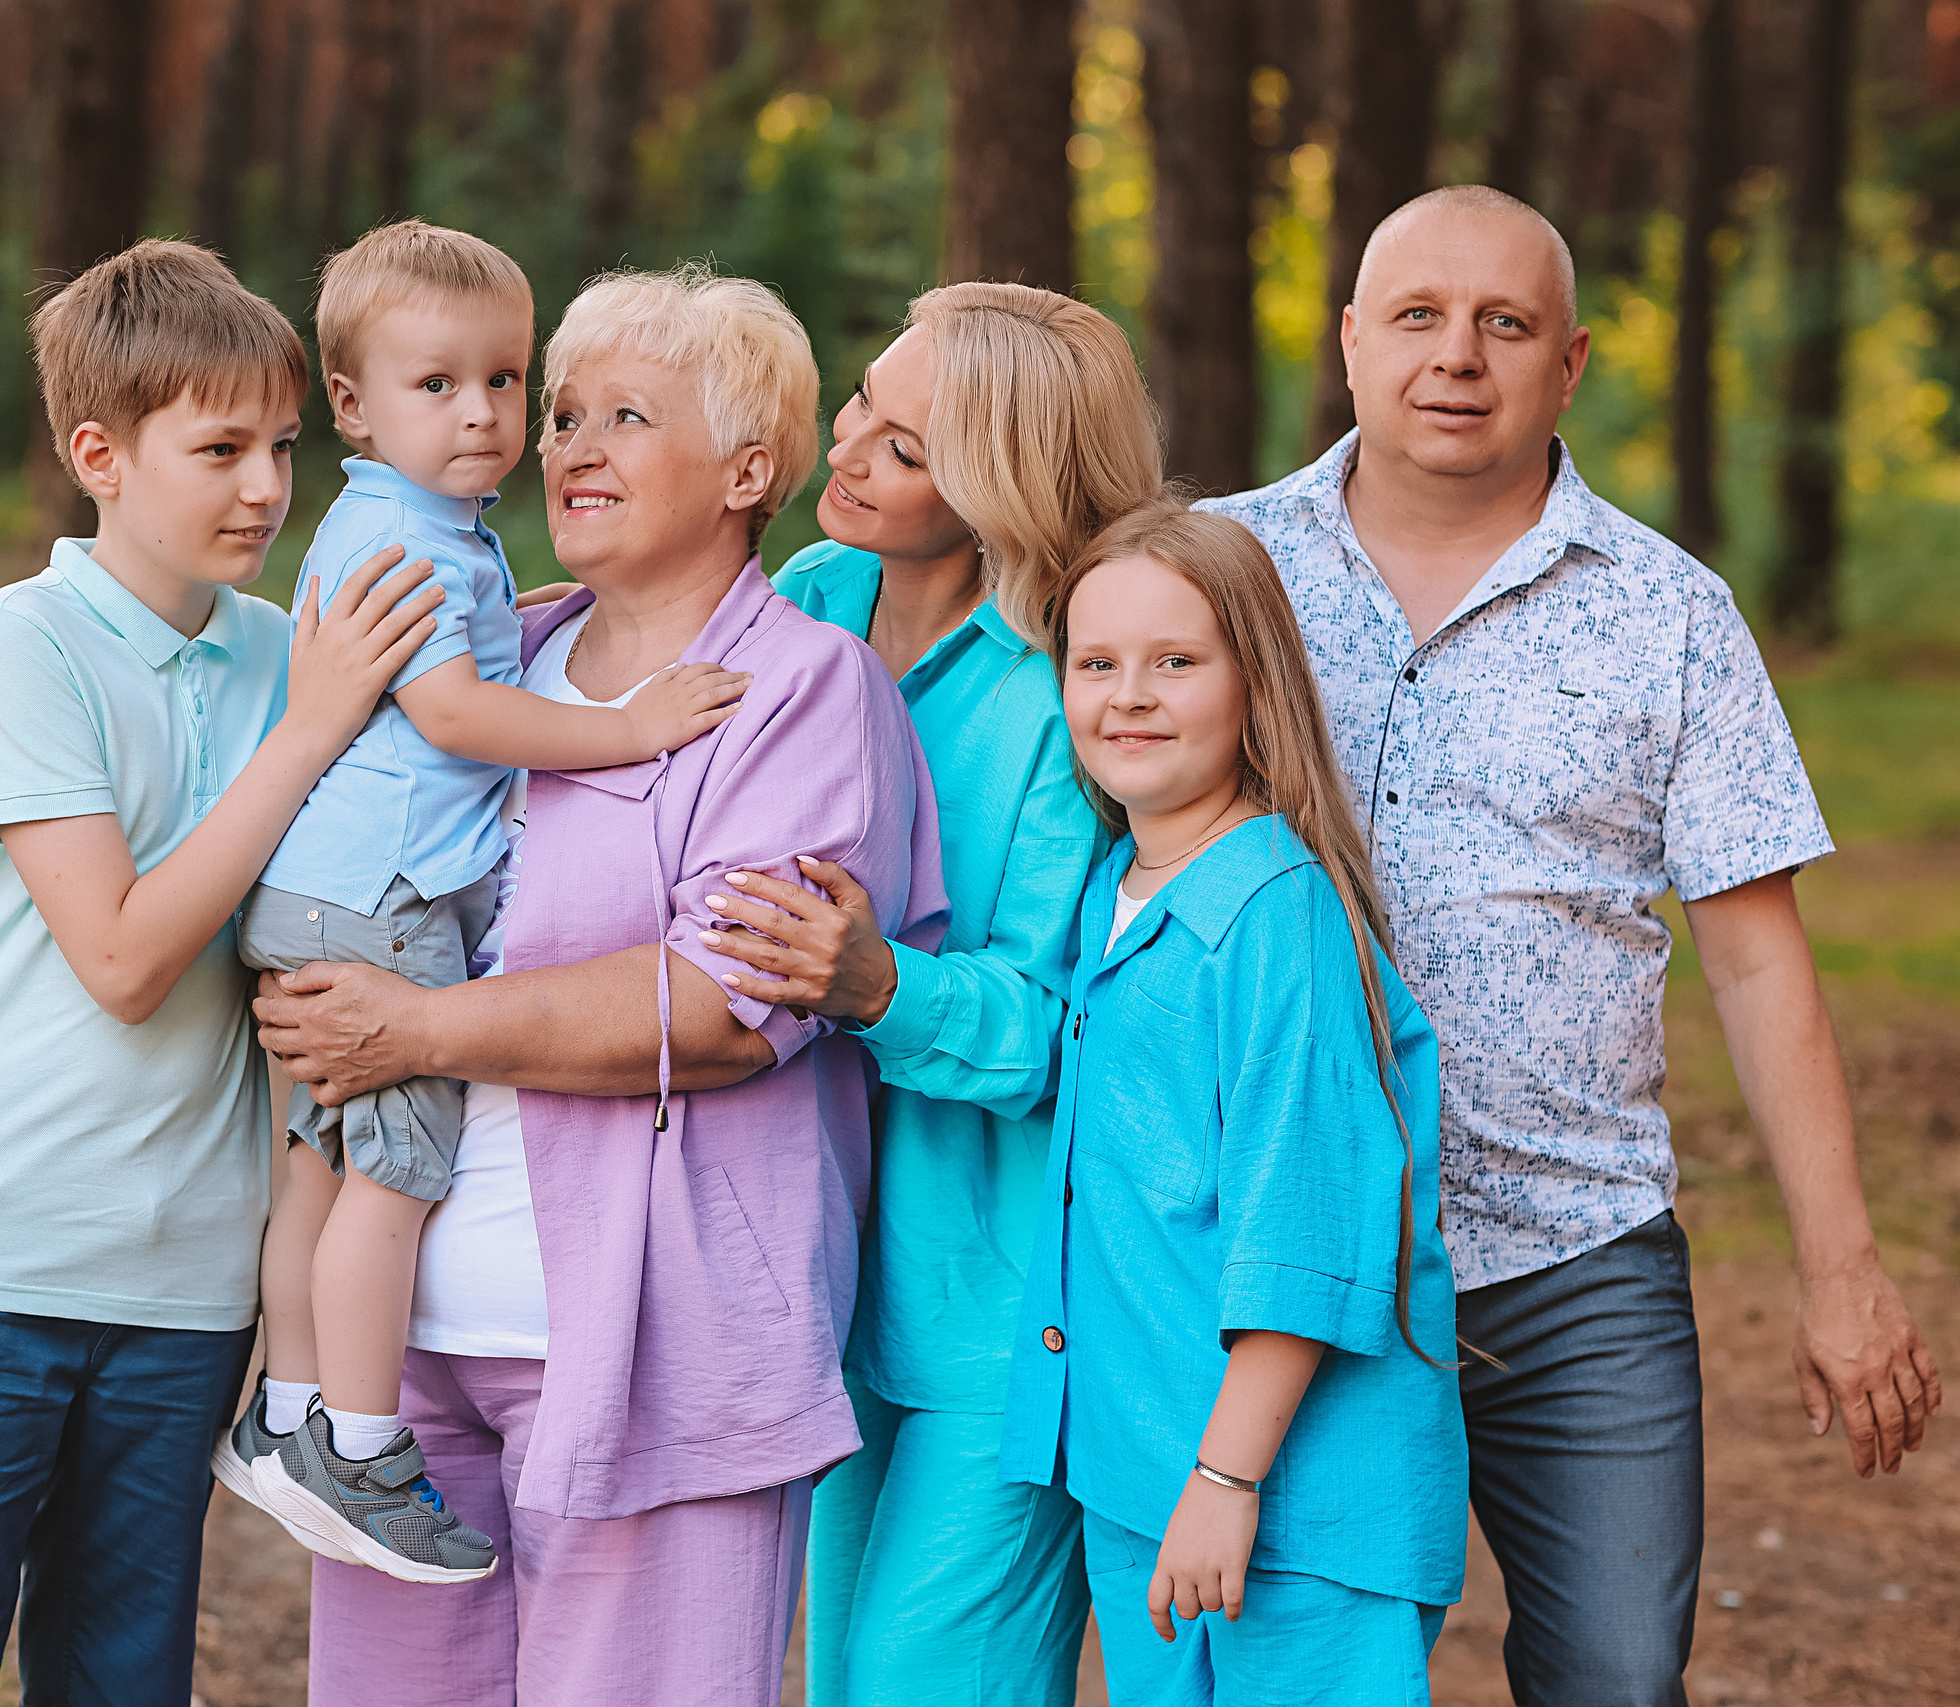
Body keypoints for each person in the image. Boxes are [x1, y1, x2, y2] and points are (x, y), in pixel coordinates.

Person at [1204, 184, 1942, 1704]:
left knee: (1615, 1675)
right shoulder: (1216, 575)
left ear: (1572, 363)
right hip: (1275, 1243)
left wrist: (1841, 1264)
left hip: (1571, 1256)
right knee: (1285, 1669)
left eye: (1505, 323)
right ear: (1350, 342)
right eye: (1416, 315)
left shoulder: (1670, 615)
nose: (1456, 356)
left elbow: (1754, 957)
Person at [252, 263, 945, 1706]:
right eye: (561, 410)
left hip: (657, 1347)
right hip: (407, 1355)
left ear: (749, 468)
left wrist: (422, 1029)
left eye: (624, 415)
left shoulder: (801, 687)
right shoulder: (510, 645)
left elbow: (722, 1005)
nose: (566, 442)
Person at [0, 241, 442, 1704]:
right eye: (219, 448)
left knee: (120, 1678)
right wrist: (309, 728)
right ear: (99, 452)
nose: (265, 488)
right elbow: (121, 955)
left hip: (184, 1281)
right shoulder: (24, 643)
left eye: (283, 446)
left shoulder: (288, 651)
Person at [221, 222, 743, 1582]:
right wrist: (629, 724)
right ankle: (361, 1439)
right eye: (437, 385)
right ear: (351, 402)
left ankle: (282, 1414)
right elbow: (452, 707)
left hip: (313, 886)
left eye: (507, 382)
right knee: (396, 1174)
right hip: (382, 897)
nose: (486, 415)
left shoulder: (404, 519)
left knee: (320, 1164)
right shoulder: (419, 543)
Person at [694, 282, 1161, 1706]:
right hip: (817, 1263)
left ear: (1001, 490)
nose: (846, 452)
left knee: (922, 1680)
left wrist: (879, 981)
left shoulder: (1067, 685)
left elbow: (1060, 1023)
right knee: (843, 1678)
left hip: (1002, 1296)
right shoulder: (802, 601)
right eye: (860, 405)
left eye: (903, 449)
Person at [1003, 497, 1467, 1704]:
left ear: (1252, 681)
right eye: (1095, 663)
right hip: (1145, 1475)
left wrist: (1225, 1485)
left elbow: (1304, 1229)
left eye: (1176, 662)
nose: (1130, 695)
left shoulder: (1276, 915)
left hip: (1290, 1508)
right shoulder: (1117, 880)